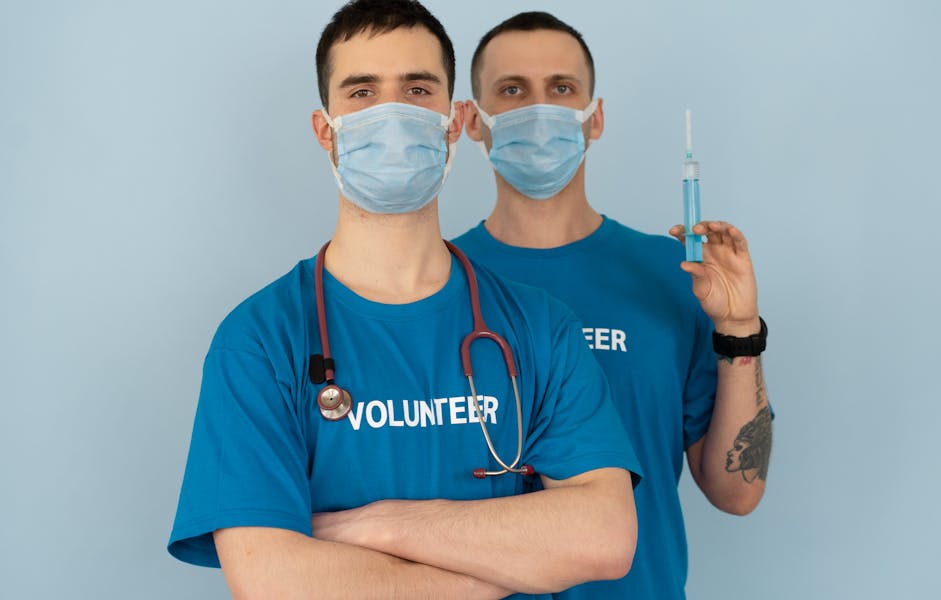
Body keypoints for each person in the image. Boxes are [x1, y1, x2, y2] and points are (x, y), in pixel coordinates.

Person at [166, 2, 642, 598]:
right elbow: (270, 578)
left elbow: (603, 538)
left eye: (417, 88)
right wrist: (499, 569)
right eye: (362, 92)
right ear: (324, 130)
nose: (392, 113)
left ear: (452, 120)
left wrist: (375, 525)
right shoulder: (260, 339)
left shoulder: (540, 326)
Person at [451, 11, 774, 600]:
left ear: (593, 119)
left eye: (562, 88)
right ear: (472, 120)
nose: (539, 109)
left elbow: (737, 492)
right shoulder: (435, 280)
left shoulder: (672, 275)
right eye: (513, 90)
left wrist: (738, 329)